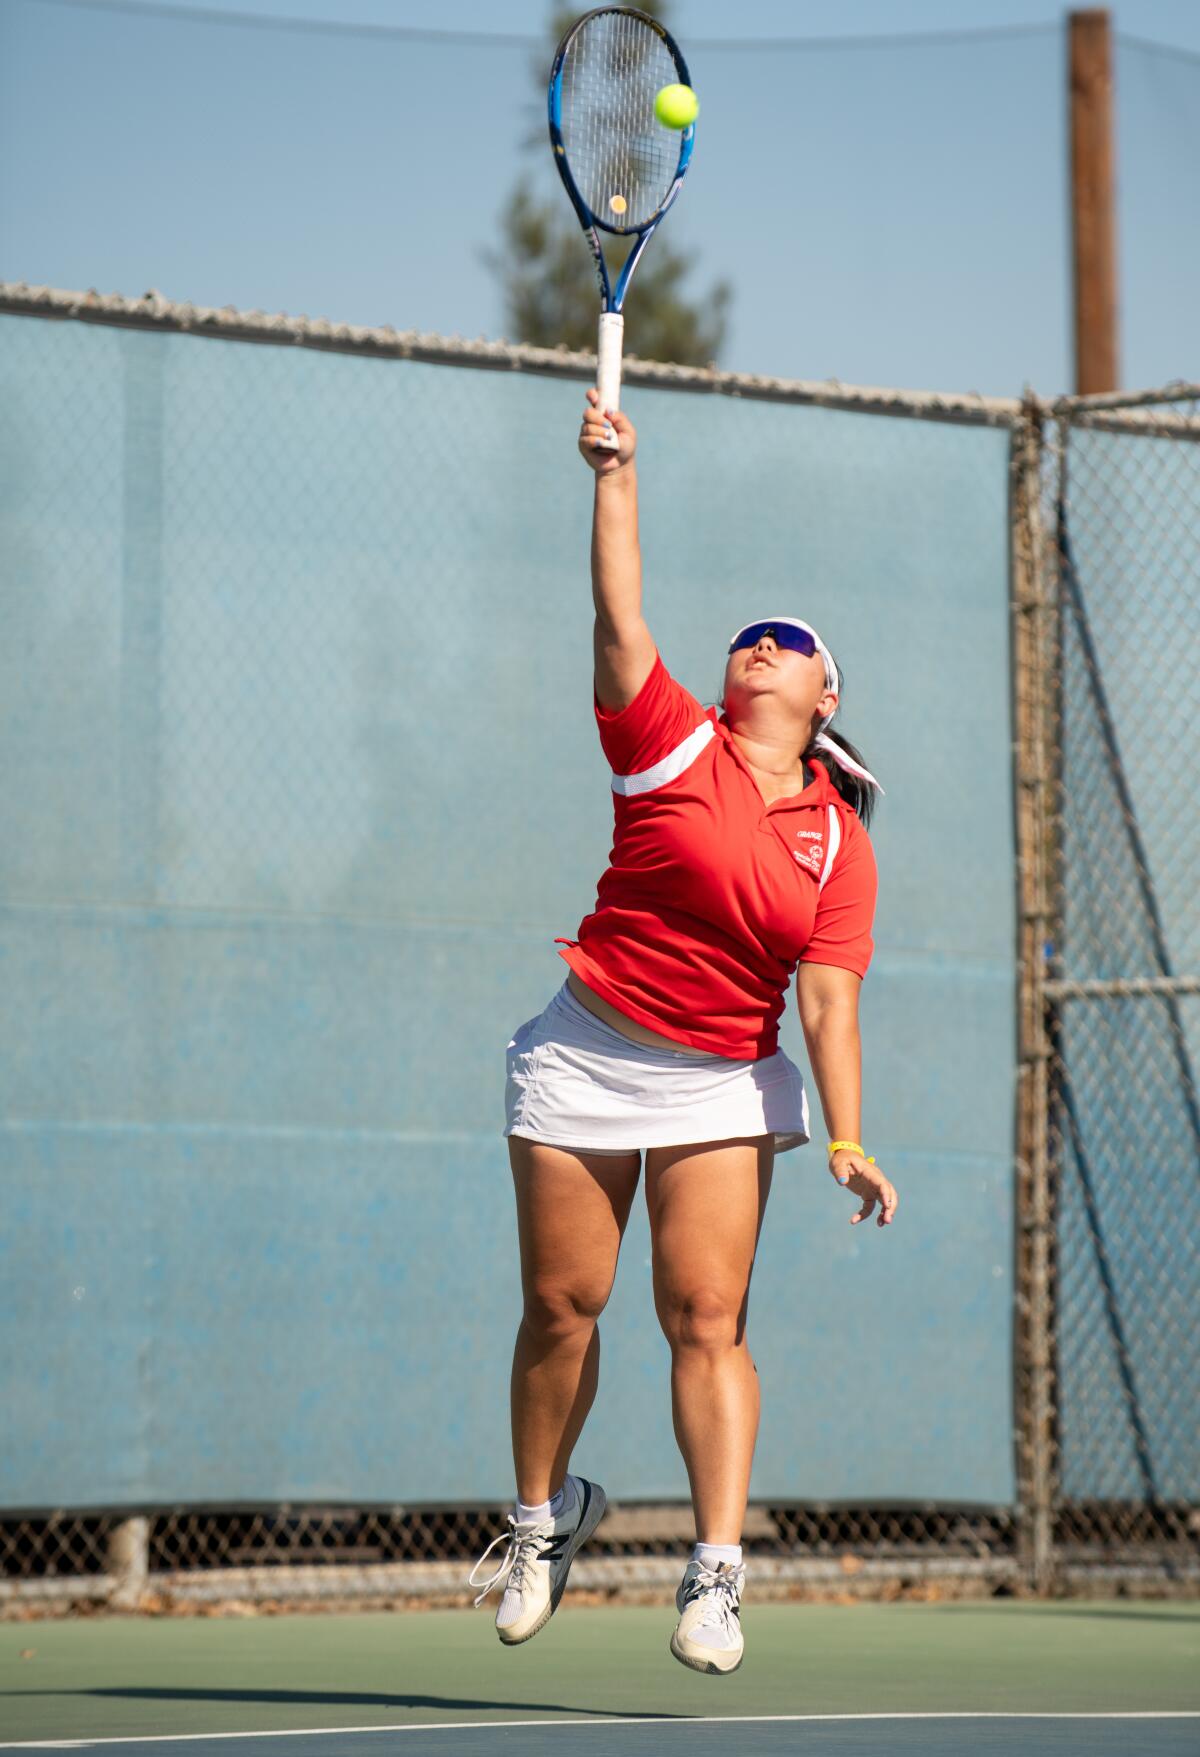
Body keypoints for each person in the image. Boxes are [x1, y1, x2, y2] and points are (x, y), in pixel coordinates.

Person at [468, 389, 899, 1675]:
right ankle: (542, 1521)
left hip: (720, 1077)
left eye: (790, 643)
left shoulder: (838, 841)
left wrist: (848, 1135)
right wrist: (616, 472)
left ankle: (715, 1573)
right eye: (747, 638)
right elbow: (620, 613)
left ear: (825, 692)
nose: (760, 648)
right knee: (563, 1303)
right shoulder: (665, 746)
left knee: (703, 1313)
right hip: (589, 1049)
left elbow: (825, 994)